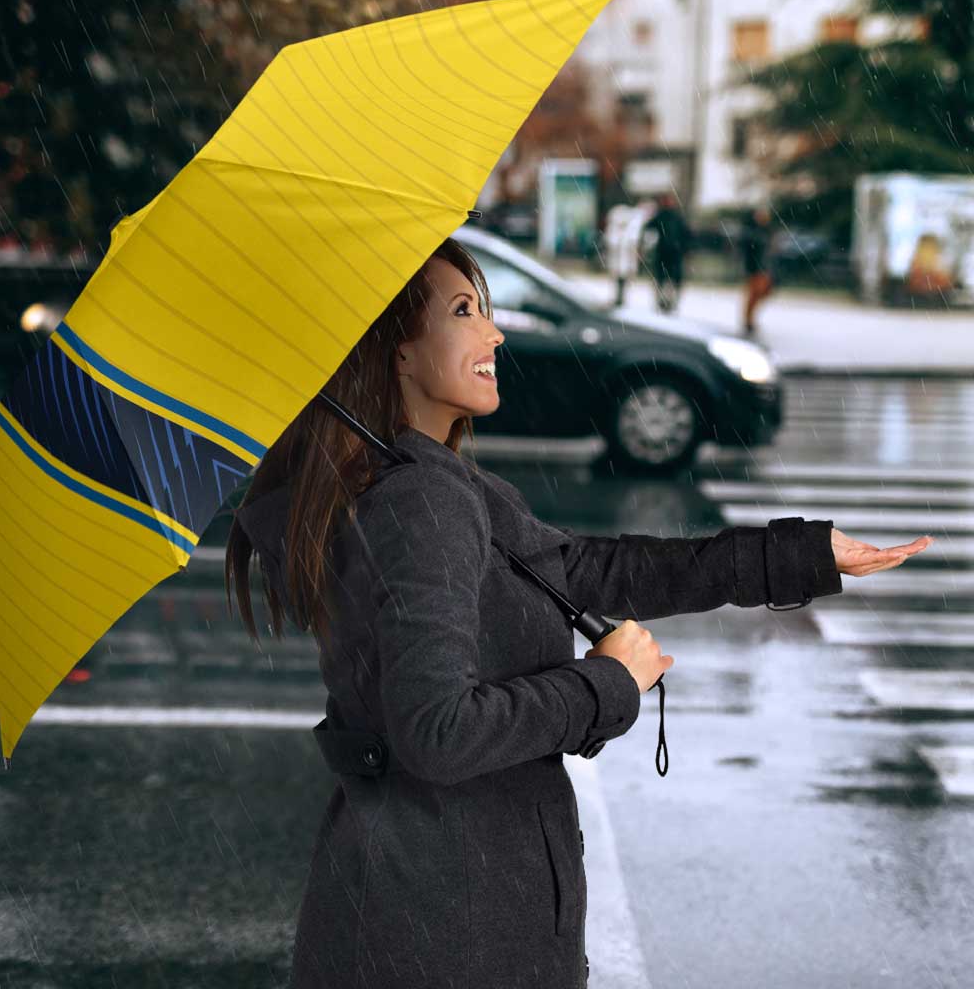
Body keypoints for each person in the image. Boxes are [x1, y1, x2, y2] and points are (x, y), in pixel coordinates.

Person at [225, 236, 922, 989]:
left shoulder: (423, 482)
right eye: (465, 311)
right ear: (396, 351)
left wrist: (801, 556)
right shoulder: (419, 501)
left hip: (429, 908)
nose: (494, 333)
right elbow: (438, 732)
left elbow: (589, 570)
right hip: (449, 928)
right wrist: (606, 684)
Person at [642, 191, 692, 314]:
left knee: (670, 280)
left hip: (673, 253)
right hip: (665, 253)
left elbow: (686, 235)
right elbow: (648, 229)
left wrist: (685, 249)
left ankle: (669, 302)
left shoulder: (675, 217)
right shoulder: (662, 216)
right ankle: (663, 302)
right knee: (663, 279)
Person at [740, 204, 776, 335]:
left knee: (762, 293)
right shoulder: (752, 232)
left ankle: (749, 319)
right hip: (755, 268)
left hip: (764, 268)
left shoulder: (767, 231)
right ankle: (748, 320)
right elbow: (749, 251)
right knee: (754, 294)